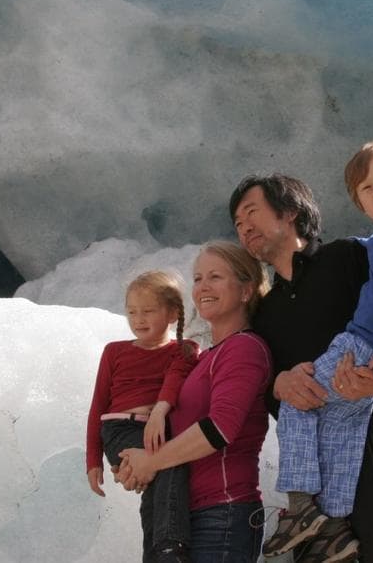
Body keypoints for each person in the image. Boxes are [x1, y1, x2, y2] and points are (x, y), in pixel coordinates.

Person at [230, 164, 373, 562]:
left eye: (251, 212)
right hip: (315, 465)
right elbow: (264, 394)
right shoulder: (264, 313)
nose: (243, 226)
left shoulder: (348, 256)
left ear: (289, 211)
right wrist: (278, 384)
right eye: (237, 222)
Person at [118, 241, 273, 563]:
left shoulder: (244, 348)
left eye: (215, 277)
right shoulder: (204, 357)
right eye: (198, 278)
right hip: (184, 514)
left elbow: (220, 429)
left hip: (223, 513)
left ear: (246, 291)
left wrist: (151, 461)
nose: (202, 286)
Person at [85, 270, 199, 563]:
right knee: (170, 461)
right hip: (119, 431)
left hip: (156, 430)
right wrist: (93, 460)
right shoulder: (114, 351)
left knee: (157, 488)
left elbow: (176, 378)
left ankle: (155, 555)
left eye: (148, 311)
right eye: (132, 312)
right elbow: (98, 406)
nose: (139, 319)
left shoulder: (184, 350)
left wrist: (160, 409)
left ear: (173, 313)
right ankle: (171, 547)